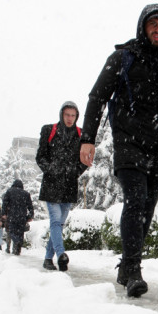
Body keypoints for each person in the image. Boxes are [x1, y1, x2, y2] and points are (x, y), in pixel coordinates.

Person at [80, 4, 158, 297]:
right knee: (135, 199)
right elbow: (97, 97)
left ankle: (126, 265)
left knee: (146, 206)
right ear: (143, 27)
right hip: (128, 142)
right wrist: (88, 138)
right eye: (153, 24)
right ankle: (133, 269)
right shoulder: (124, 57)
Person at [36, 101, 88, 271]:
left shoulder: (81, 135)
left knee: (58, 224)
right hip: (51, 184)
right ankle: (61, 255)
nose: (70, 119)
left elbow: (85, 159)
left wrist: (75, 172)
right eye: (67, 115)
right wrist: (51, 170)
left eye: (73, 116)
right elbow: (40, 156)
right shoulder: (49, 130)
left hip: (69, 186)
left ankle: (47, 259)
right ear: (61, 114)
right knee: (56, 220)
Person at [1, 179, 34, 255]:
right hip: (22, 217)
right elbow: (30, 206)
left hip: (12, 215)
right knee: (20, 233)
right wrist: (30, 216)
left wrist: (4, 214)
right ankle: (17, 251)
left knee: (12, 231)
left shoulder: (9, 191)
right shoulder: (26, 194)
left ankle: (16, 241)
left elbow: (4, 204)